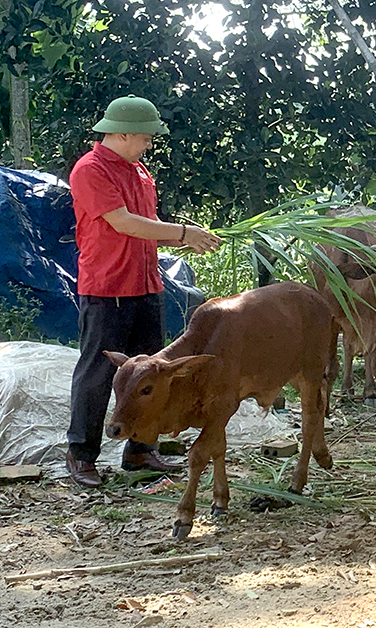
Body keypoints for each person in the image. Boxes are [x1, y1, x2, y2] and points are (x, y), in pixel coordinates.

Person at [65, 95, 222, 488]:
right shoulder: (91, 169)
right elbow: (123, 223)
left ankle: (139, 449)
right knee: (99, 372)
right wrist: (184, 232)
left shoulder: (140, 172)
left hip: (146, 285)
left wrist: (185, 241)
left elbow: (147, 227)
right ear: (122, 133)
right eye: (146, 137)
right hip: (107, 288)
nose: (149, 144)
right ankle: (81, 453)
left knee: (149, 374)